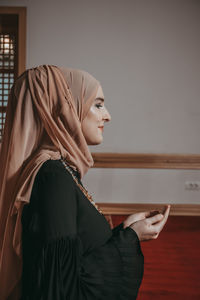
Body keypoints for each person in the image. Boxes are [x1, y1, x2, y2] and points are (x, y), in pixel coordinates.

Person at [0, 65, 170, 300]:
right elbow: (63, 289)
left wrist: (127, 229)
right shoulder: (52, 176)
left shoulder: (59, 168)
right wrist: (130, 238)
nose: (107, 115)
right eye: (98, 104)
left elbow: (78, 251)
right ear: (65, 110)